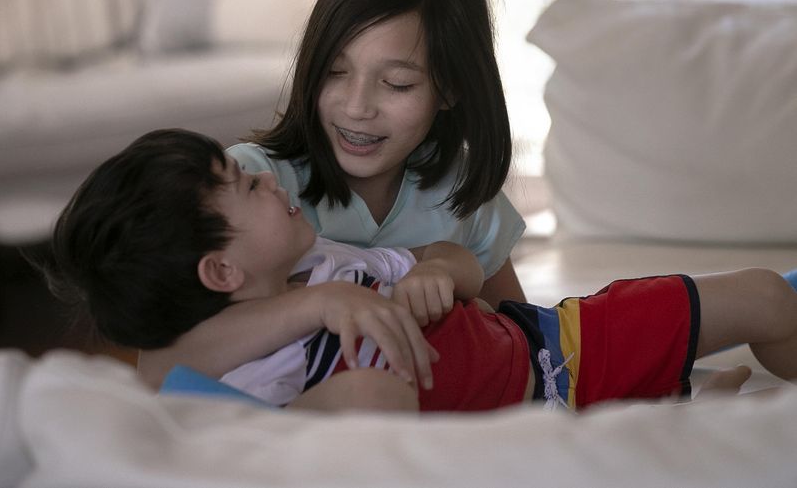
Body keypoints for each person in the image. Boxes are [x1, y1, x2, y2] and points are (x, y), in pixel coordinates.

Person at [43, 129, 797, 412]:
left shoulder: (321, 259)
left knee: (766, 296)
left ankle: (685, 394)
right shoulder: (249, 379)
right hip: (529, 421)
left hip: (559, 348)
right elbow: (159, 376)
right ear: (220, 270)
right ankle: (683, 401)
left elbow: (461, 263)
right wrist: (316, 312)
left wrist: (438, 270)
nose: (268, 178)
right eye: (244, 185)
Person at [139, 0, 527, 389]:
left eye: (397, 83)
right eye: (335, 71)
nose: (357, 107)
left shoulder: (461, 192)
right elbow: (156, 368)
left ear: (451, 88)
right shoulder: (252, 187)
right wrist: (320, 304)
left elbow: (525, 337)